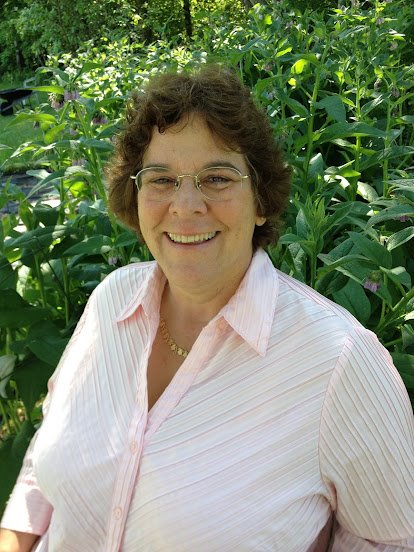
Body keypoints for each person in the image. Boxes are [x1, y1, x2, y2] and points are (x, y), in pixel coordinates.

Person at [0, 64, 413, 552]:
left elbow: (392, 540)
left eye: (217, 177)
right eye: (161, 179)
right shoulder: (111, 300)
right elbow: (42, 469)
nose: (185, 205)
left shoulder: (338, 364)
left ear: (261, 200)